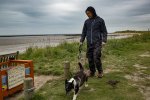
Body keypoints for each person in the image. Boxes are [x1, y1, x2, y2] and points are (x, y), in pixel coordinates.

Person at [80, 6, 108, 78]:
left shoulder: (100, 20)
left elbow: (104, 31)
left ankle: (100, 71)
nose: (87, 15)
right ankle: (92, 72)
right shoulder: (86, 22)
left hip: (97, 42)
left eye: (88, 13)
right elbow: (84, 32)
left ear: (92, 12)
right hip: (89, 43)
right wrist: (81, 40)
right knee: (90, 58)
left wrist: (104, 40)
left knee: (96, 57)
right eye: (86, 14)